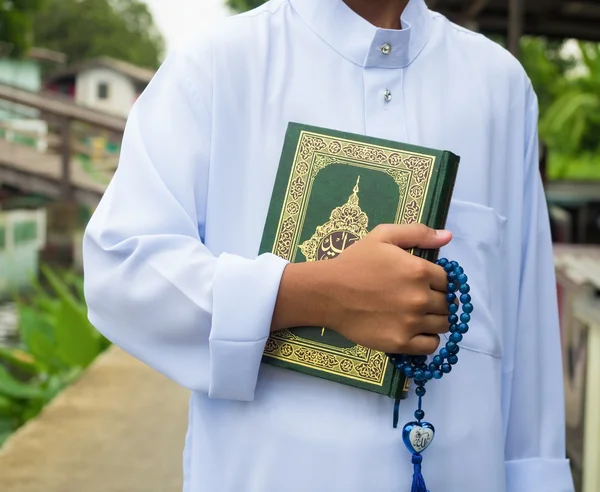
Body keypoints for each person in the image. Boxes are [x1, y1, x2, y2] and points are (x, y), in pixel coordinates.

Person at [82, 0, 575, 491]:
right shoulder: (219, 66)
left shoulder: (499, 87)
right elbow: (121, 269)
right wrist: (313, 293)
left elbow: (527, 353)